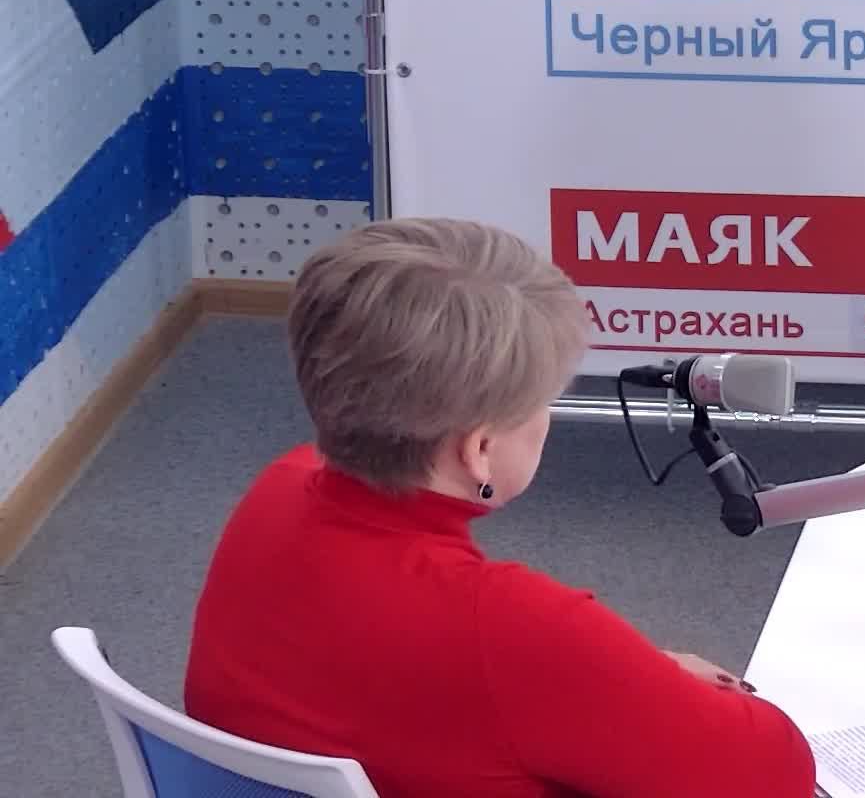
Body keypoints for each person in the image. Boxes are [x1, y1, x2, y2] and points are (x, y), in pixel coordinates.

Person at [184, 217, 817, 797]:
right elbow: (775, 773)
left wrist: (623, 677)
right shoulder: (511, 628)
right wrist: (624, 676)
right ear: (480, 450)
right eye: (542, 401)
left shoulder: (276, 489)